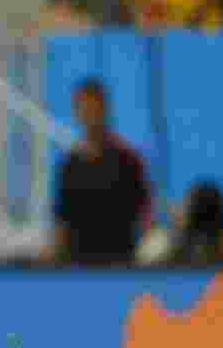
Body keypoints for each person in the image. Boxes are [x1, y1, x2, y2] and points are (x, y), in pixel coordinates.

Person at [48, 78, 151, 265]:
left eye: (95, 108)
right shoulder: (69, 165)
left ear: (106, 110)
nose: (90, 115)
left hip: (119, 263)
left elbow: (145, 214)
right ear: (76, 113)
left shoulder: (128, 161)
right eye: (84, 109)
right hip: (78, 265)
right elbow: (61, 221)